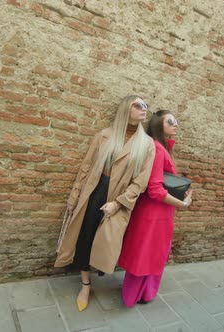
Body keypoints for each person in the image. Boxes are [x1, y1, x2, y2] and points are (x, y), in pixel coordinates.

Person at [54, 95, 156, 312]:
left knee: (105, 242)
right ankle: (85, 285)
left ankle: (96, 273)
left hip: (118, 198)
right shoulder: (104, 136)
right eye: (138, 105)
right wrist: (74, 197)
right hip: (94, 191)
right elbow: (86, 167)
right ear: (125, 109)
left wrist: (119, 204)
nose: (143, 109)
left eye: (145, 106)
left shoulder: (147, 145)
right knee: (84, 238)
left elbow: (141, 182)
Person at [117, 109, 193, 308]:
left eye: (176, 121)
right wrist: (182, 204)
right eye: (171, 121)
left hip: (159, 213)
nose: (176, 124)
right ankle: (135, 295)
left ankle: (144, 293)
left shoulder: (162, 147)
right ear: (159, 125)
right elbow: (155, 189)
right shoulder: (158, 148)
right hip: (153, 213)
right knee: (145, 254)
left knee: (151, 253)